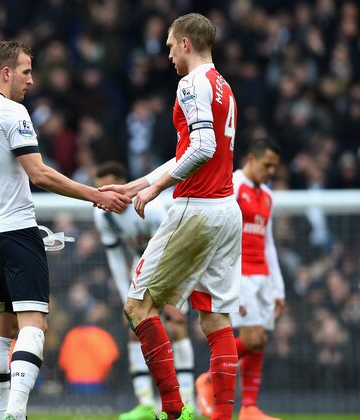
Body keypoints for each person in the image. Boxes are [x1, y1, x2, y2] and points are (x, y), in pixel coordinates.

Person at [0, 40, 130, 420]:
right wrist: (95, 195)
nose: (31, 80)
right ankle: (17, 412)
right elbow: (40, 173)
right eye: (26, 71)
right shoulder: (13, 111)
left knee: (0, 327)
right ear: (6, 72)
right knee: (34, 323)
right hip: (15, 230)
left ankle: (0, 418)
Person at [100, 13, 241, 420]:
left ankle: (172, 410)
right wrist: (135, 185)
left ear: (185, 43)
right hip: (225, 209)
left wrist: (157, 188)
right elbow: (192, 150)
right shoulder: (223, 87)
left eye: (168, 46)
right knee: (215, 319)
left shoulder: (191, 83)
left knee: (137, 306)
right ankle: (220, 416)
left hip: (195, 208)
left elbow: (202, 148)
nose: (167, 55)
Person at [93, 161, 195, 420]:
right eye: (98, 190)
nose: (101, 197)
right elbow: (116, 257)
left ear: (122, 188)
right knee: (134, 328)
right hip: (142, 265)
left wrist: (173, 291)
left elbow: (175, 243)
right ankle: (145, 403)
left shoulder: (151, 207)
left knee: (176, 324)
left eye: (107, 190)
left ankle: (188, 400)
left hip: (173, 261)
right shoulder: (102, 214)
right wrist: (123, 296)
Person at [195, 138, 285, 420]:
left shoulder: (267, 196)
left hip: (263, 277)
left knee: (260, 341)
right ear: (251, 159)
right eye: (266, 165)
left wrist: (278, 288)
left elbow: (268, 242)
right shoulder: (232, 187)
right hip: (240, 273)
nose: (270, 171)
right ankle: (209, 379)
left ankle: (249, 408)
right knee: (251, 336)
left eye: (274, 167)